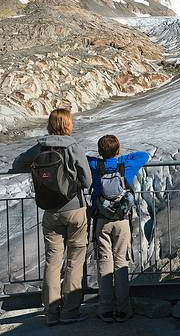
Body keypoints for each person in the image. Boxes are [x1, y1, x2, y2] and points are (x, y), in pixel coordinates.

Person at [12, 108, 92, 326]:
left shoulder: (40, 146)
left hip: (50, 211)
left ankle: (51, 312)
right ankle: (70, 311)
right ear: (68, 124)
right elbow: (87, 180)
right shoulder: (72, 146)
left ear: (49, 124)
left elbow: (18, 163)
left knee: (52, 261)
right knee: (75, 261)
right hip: (74, 209)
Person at [87, 135, 150, 323]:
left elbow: (84, 159)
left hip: (102, 220)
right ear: (117, 150)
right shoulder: (125, 166)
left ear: (99, 152)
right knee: (120, 262)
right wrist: (118, 159)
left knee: (104, 261)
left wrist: (103, 160)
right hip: (122, 220)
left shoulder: (95, 166)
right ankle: (123, 309)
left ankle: (105, 308)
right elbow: (143, 155)